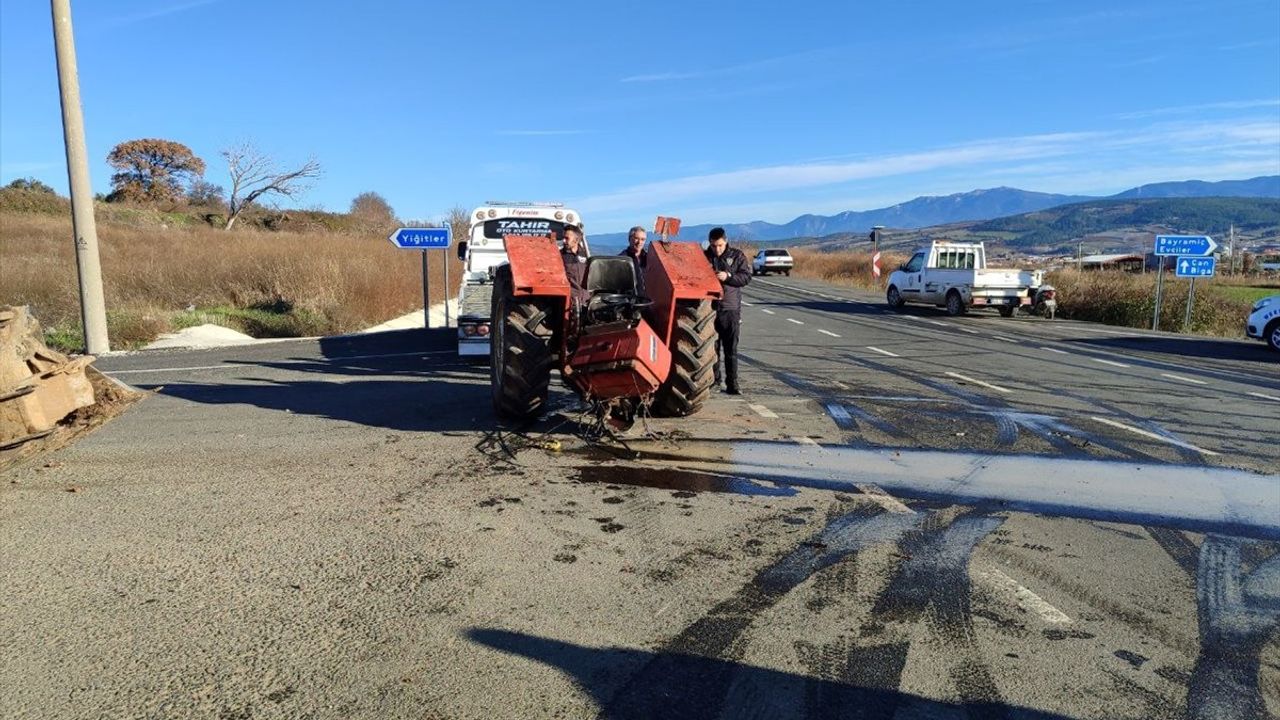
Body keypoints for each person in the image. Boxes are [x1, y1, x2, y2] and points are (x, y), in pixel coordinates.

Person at [704, 227, 751, 394]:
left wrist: (728, 277)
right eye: (714, 246)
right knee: (712, 349)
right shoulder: (704, 257)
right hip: (709, 310)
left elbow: (746, 277)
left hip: (730, 309)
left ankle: (732, 384)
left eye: (720, 245)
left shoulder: (736, 256)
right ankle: (713, 381)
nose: (717, 249)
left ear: (726, 242)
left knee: (730, 349)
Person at [560, 224, 589, 305]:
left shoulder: (586, 255)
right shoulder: (559, 256)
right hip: (568, 302)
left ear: (576, 240)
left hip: (586, 301)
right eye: (563, 238)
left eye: (567, 238)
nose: (564, 241)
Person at [619, 225, 648, 295]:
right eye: (636, 238)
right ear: (629, 239)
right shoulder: (621, 259)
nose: (639, 242)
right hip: (629, 300)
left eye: (642, 239)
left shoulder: (649, 258)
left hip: (647, 300)